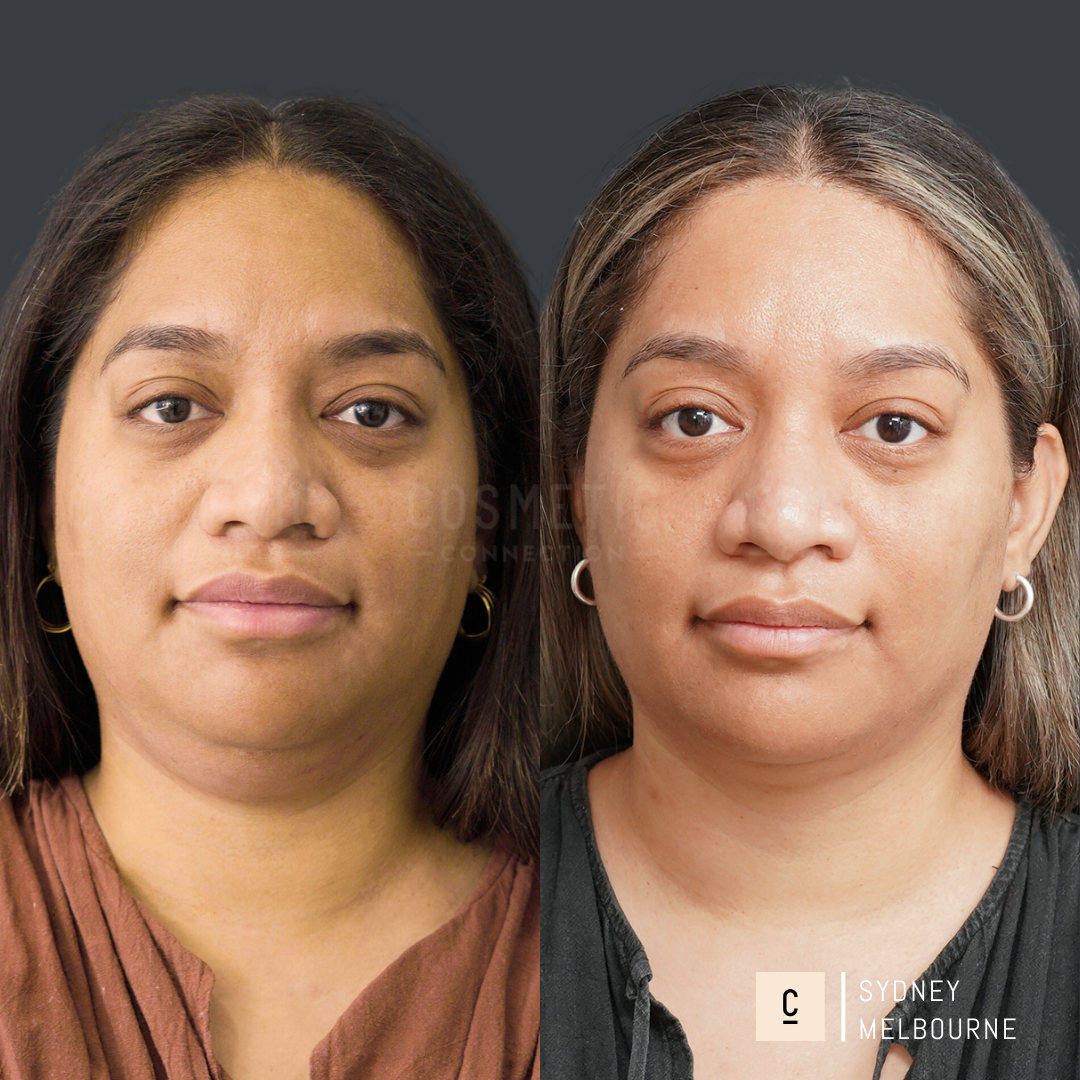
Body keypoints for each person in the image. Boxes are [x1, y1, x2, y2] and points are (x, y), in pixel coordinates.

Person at [539, 84, 1077, 1080]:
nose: (782, 519)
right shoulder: (395, 927)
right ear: (578, 485)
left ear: (1023, 506)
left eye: (892, 426)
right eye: (693, 419)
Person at [0, 95, 539, 1080]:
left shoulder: (666, 979)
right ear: (40, 503)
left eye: (372, 411)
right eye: (171, 404)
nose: (270, 496)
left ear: (487, 519)